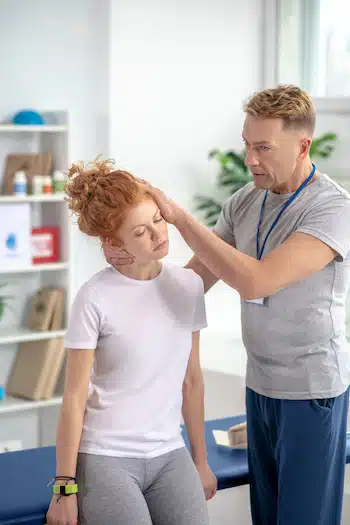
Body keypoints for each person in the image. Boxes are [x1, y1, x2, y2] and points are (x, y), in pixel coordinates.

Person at [108, 85, 350, 525]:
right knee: (267, 515)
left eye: (263, 148)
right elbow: (192, 281)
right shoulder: (245, 200)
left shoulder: (332, 208)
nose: (250, 159)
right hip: (260, 384)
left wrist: (180, 218)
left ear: (302, 146)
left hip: (312, 389)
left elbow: (255, 280)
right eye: (246, 145)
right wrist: (128, 268)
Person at [46, 159, 217, 525]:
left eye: (158, 219)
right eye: (140, 232)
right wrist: (64, 487)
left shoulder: (187, 286)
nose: (158, 235)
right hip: (106, 456)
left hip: (170, 453)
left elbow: (192, 380)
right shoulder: (94, 296)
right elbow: (74, 395)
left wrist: (201, 462)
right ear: (111, 242)